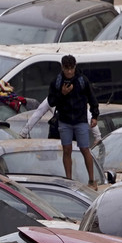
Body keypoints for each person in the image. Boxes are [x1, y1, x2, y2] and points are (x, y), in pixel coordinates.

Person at [47, 55, 100, 187]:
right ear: (62, 67)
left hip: (80, 119)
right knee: (67, 150)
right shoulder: (57, 81)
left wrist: (94, 115)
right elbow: (51, 101)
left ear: (75, 67)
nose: (69, 72)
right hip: (64, 120)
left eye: (71, 68)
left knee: (84, 149)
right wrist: (62, 93)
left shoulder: (82, 80)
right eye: (67, 69)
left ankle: (92, 180)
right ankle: (68, 180)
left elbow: (92, 98)